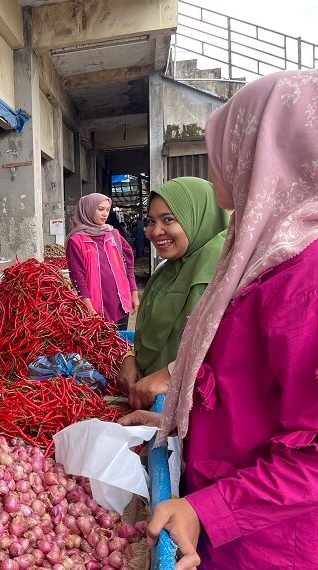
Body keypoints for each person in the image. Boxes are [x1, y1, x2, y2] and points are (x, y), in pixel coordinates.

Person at [121, 71, 318, 569]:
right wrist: (176, 423)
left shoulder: (305, 279)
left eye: (224, 150)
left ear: (265, 150)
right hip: (220, 523)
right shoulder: (256, 253)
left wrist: (211, 507)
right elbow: (235, 384)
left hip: (268, 543)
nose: (216, 169)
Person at [119, 177, 228, 410]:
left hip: (200, 411)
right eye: (150, 222)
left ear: (198, 218)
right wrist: (131, 358)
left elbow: (229, 352)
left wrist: (168, 375)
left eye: (168, 220)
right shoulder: (167, 271)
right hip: (157, 407)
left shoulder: (224, 273)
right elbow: (149, 335)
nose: (155, 231)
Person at [65, 193, 140, 329]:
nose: (105, 214)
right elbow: (78, 278)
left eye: (107, 210)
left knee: (121, 344)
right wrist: (88, 307)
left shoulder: (113, 234)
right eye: (100, 209)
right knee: (102, 347)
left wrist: (133, 293)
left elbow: (128, 265)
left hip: (120, 304)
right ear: (88, 209)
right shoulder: (76, 241)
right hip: (96, 307)